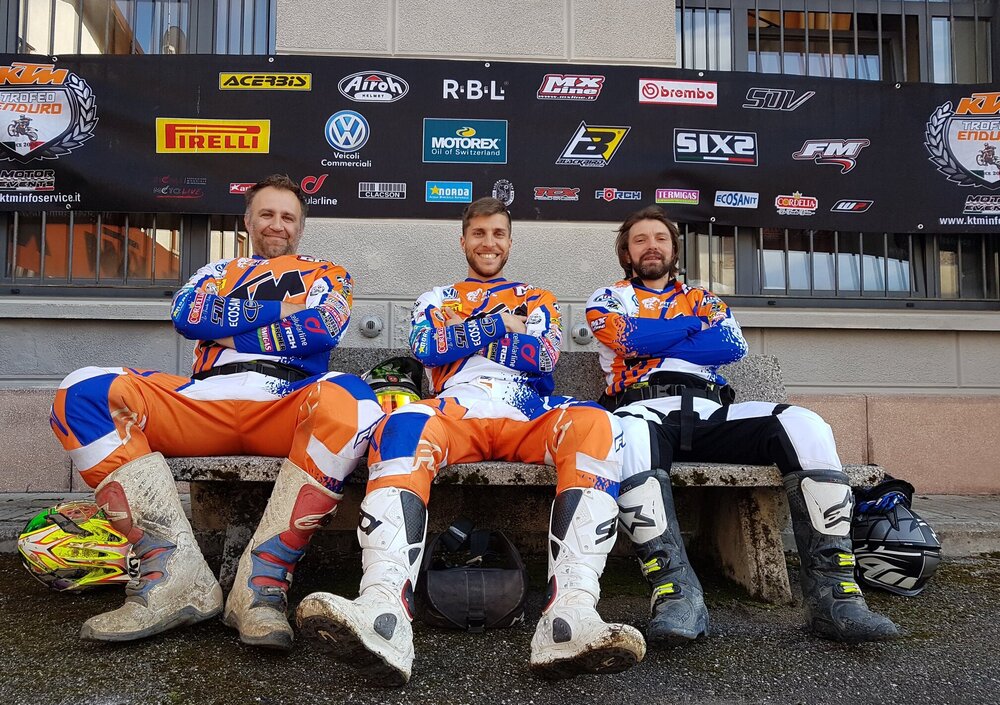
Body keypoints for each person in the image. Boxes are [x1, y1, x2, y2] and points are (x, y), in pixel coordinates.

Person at [295, 197, 645, 685]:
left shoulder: (538, 297)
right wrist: (501, 325)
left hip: (528, 410)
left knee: (600, 426)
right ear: (463, 240)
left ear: (510, 242)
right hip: (456, 408)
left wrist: (465, 333)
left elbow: (542, 356)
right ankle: (383, 611)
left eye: (498, 233)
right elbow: (427, 346)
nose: (488, 242)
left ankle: (570, 616)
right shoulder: (436, 297)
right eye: (479, 233)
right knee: (401, 427)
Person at [49, 174, 382, 649]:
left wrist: (227, 326)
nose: (277, 224)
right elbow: (187, 314)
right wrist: (283, 311)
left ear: (300, 226)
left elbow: (322, 326)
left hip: (287, 400)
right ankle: (173, 575)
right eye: (266, 214)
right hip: (202, 398)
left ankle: (260, 587)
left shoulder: (330, 273)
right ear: (247, 220)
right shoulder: (216, 269)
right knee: (82, 390)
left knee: (355, 400)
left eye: (287, 217)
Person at [585, 205, 899, 645]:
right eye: (640, 239)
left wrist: (658, 335)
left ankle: (835, 596)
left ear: (674, 249)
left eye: (660, 238)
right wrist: (691, 329)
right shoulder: (607, 297)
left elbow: (731, 345)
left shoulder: (704, 298)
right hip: (644, 408)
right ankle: (676, 593)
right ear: (626, 253)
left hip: (712, 409)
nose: (651, 246)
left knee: (805, 424)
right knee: (628, 434)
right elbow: (626, 338)